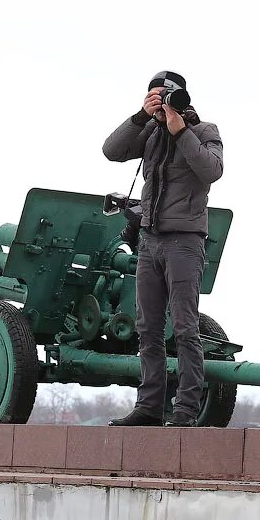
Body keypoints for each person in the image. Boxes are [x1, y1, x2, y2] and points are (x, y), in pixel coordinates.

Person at [101, 70, 225, 427]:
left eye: (167, 97)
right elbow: (112, 151)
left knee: (185, 328)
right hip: (150, 241)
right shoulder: (150, 134)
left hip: (185, 243)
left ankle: (185, 410)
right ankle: (149, 407)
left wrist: (180, 131)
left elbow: (211, 170)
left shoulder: (204, 132)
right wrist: (142, 116)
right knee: (148, 329)